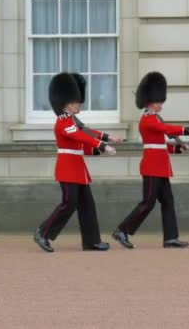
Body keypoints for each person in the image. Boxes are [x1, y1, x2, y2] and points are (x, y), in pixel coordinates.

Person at [112, 71, 189, 249]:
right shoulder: (147, 120)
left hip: (160, 167)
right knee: (148, 202)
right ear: (152, 102)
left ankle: (171, 237)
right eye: (159, 101)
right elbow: (165, 129)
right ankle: (122, 231)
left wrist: (178, 147)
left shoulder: (153, 118)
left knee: (168, 201)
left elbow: (161, 145)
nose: (161, 104)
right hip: (152, 167)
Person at [33, 72, 121, 252]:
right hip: (67, 168)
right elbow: (80, 135)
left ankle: (91, 241)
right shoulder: (63, 122)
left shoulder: (72, 120)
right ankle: (43, 232)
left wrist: (107, 137)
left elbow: (86, 133)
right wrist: (102, 145)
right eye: (75, 101)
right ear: (65, 103)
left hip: (78, 168)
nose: (79, 104)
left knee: (87, 205)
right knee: (68, 204)